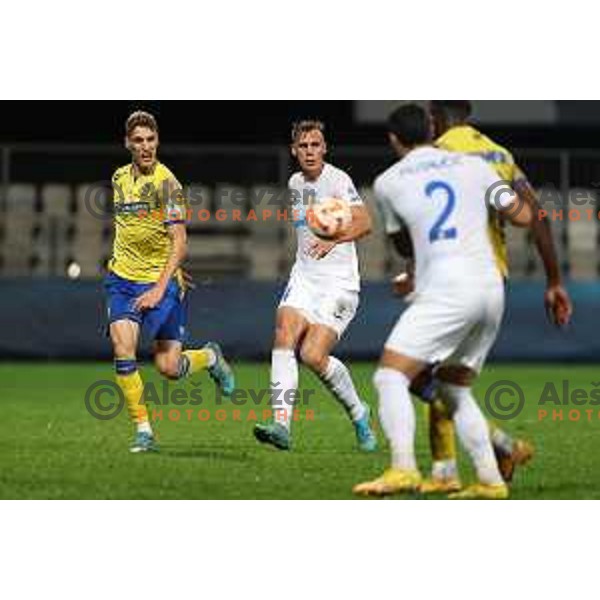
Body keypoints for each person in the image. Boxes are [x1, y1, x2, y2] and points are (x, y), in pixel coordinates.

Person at [388, 100, 573, 491]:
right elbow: (535, 214)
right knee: (442, 374)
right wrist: (554, 281)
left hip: (452, 277)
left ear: (433, 120)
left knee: (415, 374)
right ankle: (447, 472)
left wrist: (412, 271)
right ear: (467, 114)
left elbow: (430, 225)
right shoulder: (498, 154)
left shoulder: (436, 156)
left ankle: (497, 448)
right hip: (493, 277)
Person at [354, 104, 532, 499]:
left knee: (390, 376)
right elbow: (521, 215)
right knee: (453, 390)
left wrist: (415, 271)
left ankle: (402, 469)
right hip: (490, 289)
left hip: (448, 291)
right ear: (432, 129)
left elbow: (403, 244)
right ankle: (490, 480)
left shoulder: (388, 181)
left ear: (394, 139)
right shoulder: (474, 166)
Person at [105, 110, 234, 453]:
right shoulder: (118, 178)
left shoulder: (168, 184)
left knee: (169, 368)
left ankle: (209, 357)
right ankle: (144, 431)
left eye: (151, 140)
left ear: (157, 141)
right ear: (127, 143)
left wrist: (162, 284)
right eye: (138, 141)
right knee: (122, 348)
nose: (146, 147)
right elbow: (131, 230)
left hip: (161, 286)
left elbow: (180, 240)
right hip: (122, 281)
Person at [253, 120, 376, 451]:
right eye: (303, 146)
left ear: (325, 148)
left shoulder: (338, 179)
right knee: (284, 331)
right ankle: (281, 424)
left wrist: (333, 239)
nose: (310, 151)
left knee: (312, 354)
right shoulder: (294, 182)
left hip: (340, 284)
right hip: (305, 278)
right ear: (294, 151)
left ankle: (358, 411)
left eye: (315, 145)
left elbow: (365, 223)